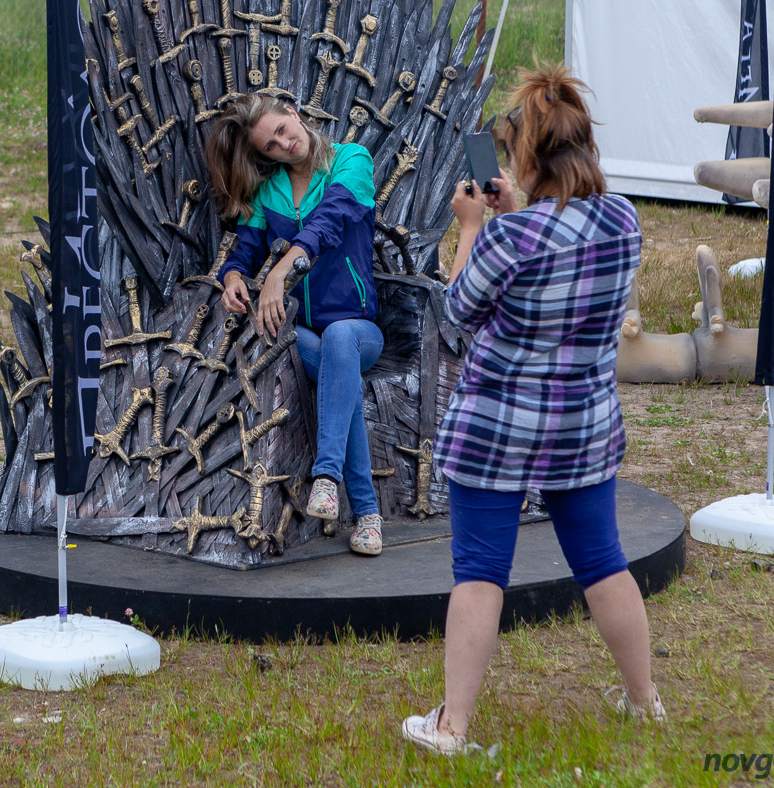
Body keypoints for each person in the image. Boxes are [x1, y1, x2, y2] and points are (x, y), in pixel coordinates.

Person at [401, 64, 663, 754]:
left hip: (497, 427)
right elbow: (560, 248)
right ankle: (645, 702)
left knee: (479, 571)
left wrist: (472, 227)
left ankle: (452, 727)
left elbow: (458, 312)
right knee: (603, 561)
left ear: (526, 157)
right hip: (584, 422)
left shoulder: (508, 237)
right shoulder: (623, 219)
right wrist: (515, 213)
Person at [204, 94, 384, 556]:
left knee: (341, 339)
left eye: (284, 130)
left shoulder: (350, 160)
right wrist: (232, 278)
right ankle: (366, 516)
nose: (285, 144)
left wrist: (283, 268)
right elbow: (245, 251)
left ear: (294, 114)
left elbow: (328, 221)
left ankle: (327, 477)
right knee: (334, 370)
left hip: (359, 328)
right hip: (302, 333)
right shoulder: (269, 192)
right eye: (271, 145)